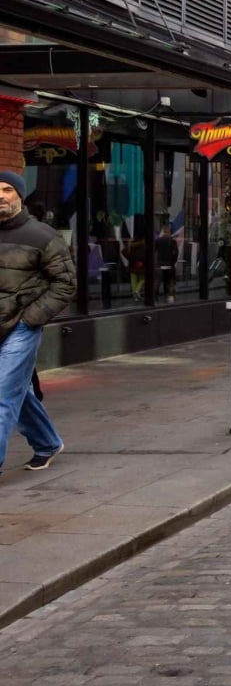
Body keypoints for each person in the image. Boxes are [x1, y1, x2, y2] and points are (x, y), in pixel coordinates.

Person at [0, 170, 73, 477]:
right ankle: (47, 442)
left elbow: (65, 284)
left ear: (20, 195)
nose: (1, 196)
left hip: (20, 326)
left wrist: (31, 320)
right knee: (17, 391)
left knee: (2, 395)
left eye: (7, 190)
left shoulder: (42, 235)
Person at [155, 223, 179, 302]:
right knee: (169, 280)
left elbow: (154, 251)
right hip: (169, 263)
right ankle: (169, 296)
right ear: (169, 232)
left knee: (158, 280)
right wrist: (173, 261)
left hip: (160, 263)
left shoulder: (158, 241)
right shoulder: (172, 241)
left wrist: (156, 262)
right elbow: (176, 253)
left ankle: (155, 295)